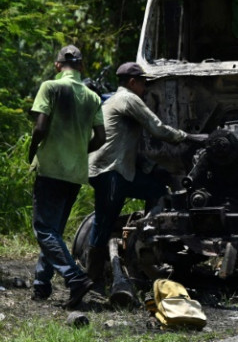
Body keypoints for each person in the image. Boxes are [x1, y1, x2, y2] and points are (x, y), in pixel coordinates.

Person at [86, 62, 207, 281]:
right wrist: (189, 138)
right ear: (132, 83)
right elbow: (157, 128)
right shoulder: (129, 99)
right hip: (112, 171)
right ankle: (91, 278)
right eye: (143, 83)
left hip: (108, 169)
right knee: (103, 223)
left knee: (156, 189)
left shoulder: (114, 99)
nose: (146, 89)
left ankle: (145, 239)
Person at [28, 44, 106, 308]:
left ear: (58, 65)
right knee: (55, 230)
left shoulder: (50, 87)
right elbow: (101, 138)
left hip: (51, 168)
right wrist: (79, 151)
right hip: (75, 173)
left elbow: (40, 127)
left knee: (43, 229)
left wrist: (31, 150)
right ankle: (41, 283)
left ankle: (75, 278)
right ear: (81, 66)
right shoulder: (93, 98)